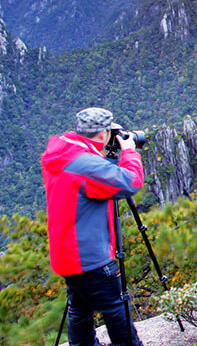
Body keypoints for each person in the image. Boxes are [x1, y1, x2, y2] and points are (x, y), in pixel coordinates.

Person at [41, 107, 145, 346]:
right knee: (115, 308)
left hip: (65, 255)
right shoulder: (86, 165)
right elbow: (131, 182)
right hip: (90, 258)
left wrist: (103, 159)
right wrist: (129, 153)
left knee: (80, 309)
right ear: (102, 134)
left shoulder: (62, 155)